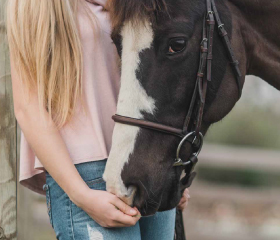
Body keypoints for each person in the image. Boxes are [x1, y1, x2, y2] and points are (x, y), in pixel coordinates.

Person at [6, 0, 190, 239]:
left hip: (149, 164)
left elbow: (163, 81)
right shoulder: (38, 4)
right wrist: (82, 195)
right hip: (86, 174)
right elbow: (29, 109)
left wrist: (174, 168)